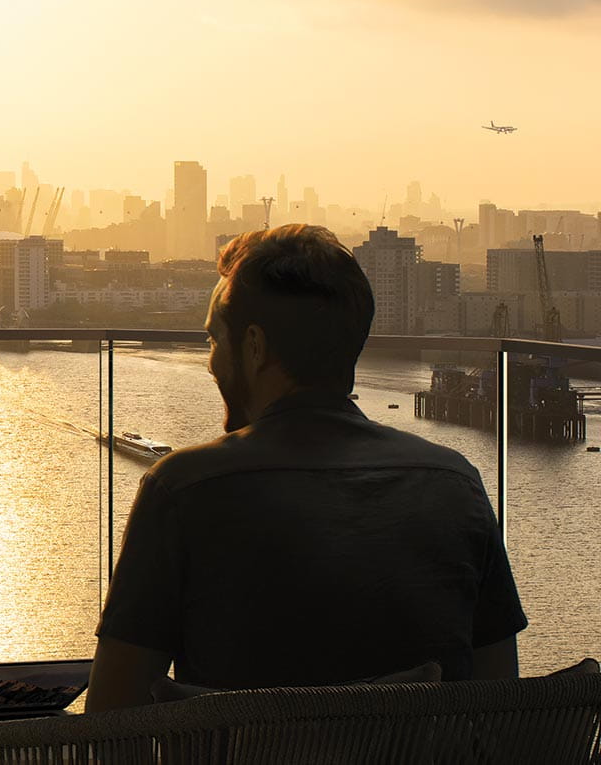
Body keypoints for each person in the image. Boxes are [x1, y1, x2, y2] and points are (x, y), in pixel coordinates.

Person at [86, 225, 526, 711]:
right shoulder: (455, 484)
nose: (211, 361)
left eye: (215, 340)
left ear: (253, 347)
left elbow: (112, 718)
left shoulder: (183, 491)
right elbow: (502, 702)